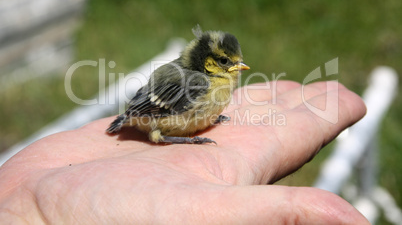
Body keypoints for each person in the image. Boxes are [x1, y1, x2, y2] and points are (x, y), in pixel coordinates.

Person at [0, 81, 368, 224]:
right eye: (226, 63)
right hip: (148, 123)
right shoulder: (192, 84)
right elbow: (155, 104)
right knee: (164, 130)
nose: (237, 69)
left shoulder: (210, 87)